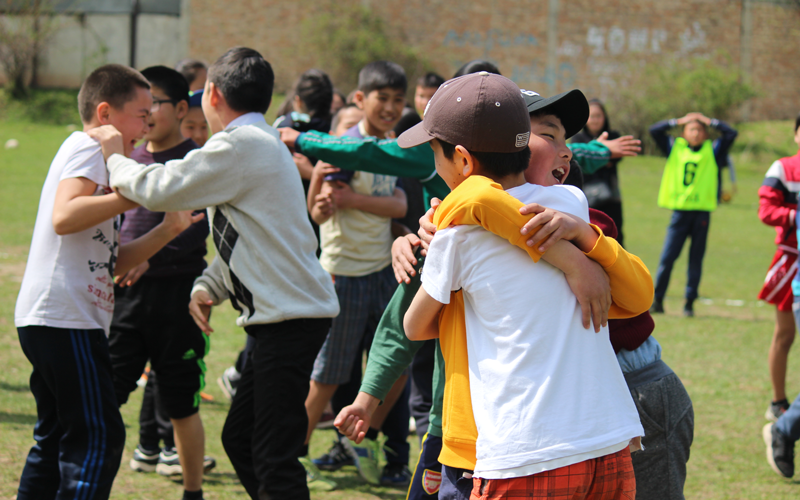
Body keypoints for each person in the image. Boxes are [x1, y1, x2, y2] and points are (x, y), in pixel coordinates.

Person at [333, 86, 651, 500]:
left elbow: (413, 325)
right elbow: (641, 297)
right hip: (605, 441)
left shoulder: (460, 231)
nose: (566, 151)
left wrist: (441, 224)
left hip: (520, 449)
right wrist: (575, 254)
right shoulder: (569, 205)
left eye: (436, 153)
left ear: (462, 160)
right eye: (548, 135)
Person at [90, 47, 340, 500]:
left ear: (213, 95)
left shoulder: (239, 145)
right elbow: (257, 240)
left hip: (290, 323)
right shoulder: (262, 145)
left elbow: (159, 187)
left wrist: (113, 158)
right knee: (241, 439)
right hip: (287, 321)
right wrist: (209, 284)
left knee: (272, 456)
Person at [14, 63, 202, 500]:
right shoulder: (87, 148)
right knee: (99, 436)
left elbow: (111, 263)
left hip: (63, 317)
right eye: (140, 113)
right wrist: (137, 192)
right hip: (65, 317)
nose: (149, 121)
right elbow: (65, 217)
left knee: (58, 436)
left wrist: (168, 229)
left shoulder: (100, 160)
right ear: (105, 114)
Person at [106, 66, 215, 496]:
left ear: (181, 107)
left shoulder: (199, 162)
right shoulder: (130, 157)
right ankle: (93, 483)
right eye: (142, 106)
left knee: (181, 404)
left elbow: (200, 228)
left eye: (155, 103)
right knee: (106, 400)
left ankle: (193, 492)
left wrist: (149, 258)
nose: (148, 113)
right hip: (124, 298)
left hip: (176, 299)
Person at [301, 60, 409, 490]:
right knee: (327, 376)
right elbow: (316, 207)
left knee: (396, 365)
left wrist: (354, 200)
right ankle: (293, 452)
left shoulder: (393, 147)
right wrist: (327, 205)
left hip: (385, 269)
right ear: (361, 99)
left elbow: (400, 205)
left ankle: (361, 439)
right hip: (342, 274)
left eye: (398, 101)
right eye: (383, 99)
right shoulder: (342, 147)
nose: (390, 107)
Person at [650, 112, 738, 317]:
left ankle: (689, 303)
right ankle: (658, 300)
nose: (696, 133)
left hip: (701, 214)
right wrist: (677, 120)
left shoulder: (713, 150)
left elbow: (731, 133)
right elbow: (654, 130)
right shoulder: (675, 147)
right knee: (668, 257)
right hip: (680, 213)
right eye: (691, 129)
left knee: (695, 259)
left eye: (700, 129)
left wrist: (710, 121)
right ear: (684, 132)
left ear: (705, 133)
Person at [759, 114, 800, 422]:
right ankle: (778, 401)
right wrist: (794, 216)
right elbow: (766, 210)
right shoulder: (783, 168)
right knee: (785, 334)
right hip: (792, 261)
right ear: (796, 135)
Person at [571, 98, 627, 246]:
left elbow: (616, 158)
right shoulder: (578, 138)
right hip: (588, 196)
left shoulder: (613, 136)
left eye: (598, 116)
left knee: (616, 236)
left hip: (611, 196)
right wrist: (601, 154)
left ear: (604, 117)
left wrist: (591, 156)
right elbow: (577, 162)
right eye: (591, 116)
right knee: (590, 237)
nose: (595, 120)